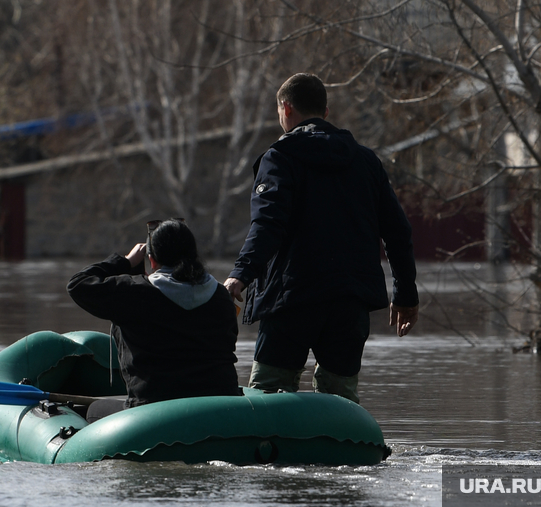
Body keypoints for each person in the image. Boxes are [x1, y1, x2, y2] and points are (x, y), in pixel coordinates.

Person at [224, 73, 419, 404]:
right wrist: (405, 294)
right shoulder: (366, 162)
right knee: (340, 397)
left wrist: (239, 275)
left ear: (285, 108)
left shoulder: (280, 158)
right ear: (325, 112)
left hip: (291, 298)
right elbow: (397, 231)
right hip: (349, 301)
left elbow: (268, 224)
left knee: (267, 395)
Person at [68, 218, 241, 422]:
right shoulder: (220, 296)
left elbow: (77, 284)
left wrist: (125, 262)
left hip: (154, 412)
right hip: (221, 406)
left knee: (94, 410)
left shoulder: (134, 293)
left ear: (152, 261)